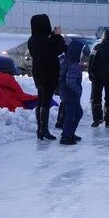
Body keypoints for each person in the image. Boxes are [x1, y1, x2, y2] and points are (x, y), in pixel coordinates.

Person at [28, 13, 64, 141]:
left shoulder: (32, 40)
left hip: (38, 73)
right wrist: (58, 36)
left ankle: (40, 129)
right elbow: (59, 49)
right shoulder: (44, 40)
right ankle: (44, 129)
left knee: (41, 100)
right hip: (48, 73)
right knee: (45, 101)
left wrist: (52, 37)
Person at [88, 30, 109, 127]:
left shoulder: (97, 47)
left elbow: (91, 59)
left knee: (96, 97)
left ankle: (97, 119)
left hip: (98, 76)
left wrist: (90, 71)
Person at [58, 38, 85, 144]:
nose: (82, 54)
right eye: (81, 52)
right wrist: (78, 91)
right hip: (70, 94)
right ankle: (66, 136)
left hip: (67, 93)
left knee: (77, 113)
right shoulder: (73, 65)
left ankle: (69, 133)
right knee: (73, 114)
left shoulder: (68, 62)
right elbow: (70, 81)